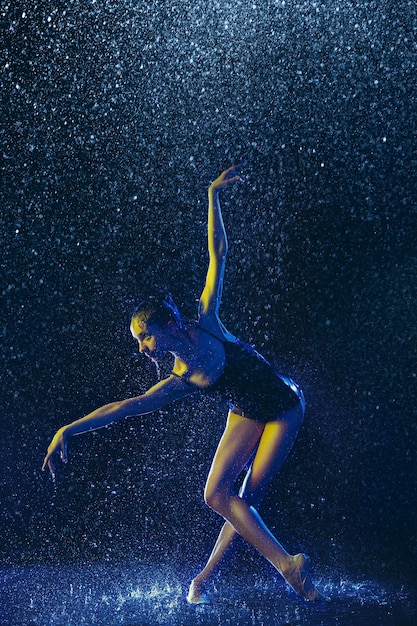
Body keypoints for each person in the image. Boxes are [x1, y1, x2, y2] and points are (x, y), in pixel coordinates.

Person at [42, 166, 326, 603]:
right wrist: (68, 429)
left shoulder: (208, 321)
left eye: (146, 338)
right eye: (138, 343)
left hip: (284, 404)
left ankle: (263, 571)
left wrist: (212, 195)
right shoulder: (181, 380)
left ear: (170, 325)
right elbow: (122, 407)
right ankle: (239, 574)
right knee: (218, 495)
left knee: (248, 495)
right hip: (246, 410)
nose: (143, 349)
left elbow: (219, 254)